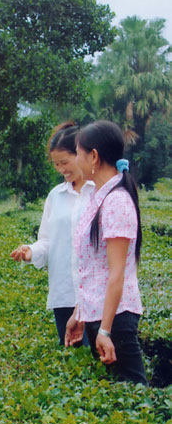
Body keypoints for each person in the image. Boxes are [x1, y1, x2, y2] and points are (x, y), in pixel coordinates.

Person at [65, 120, 147, 385]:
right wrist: (80, 313)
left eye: (78, 153)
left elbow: (116, 274)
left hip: (116, 318)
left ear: (94, 157)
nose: (76, 160)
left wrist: (105, 330)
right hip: (101, 315)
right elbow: (93, 269)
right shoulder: (100, 197)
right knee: (116, 401)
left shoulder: (117, 202)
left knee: (134, 397)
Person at [10, 122, 94, 345]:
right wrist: (30, 251)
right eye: (56, 164)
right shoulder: (55, 196)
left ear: (82, 155)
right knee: (74, 365)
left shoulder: (100, 192)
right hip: (65, 293)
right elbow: (47, 241)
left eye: (64, 162)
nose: (61, 169)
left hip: (96, 295)